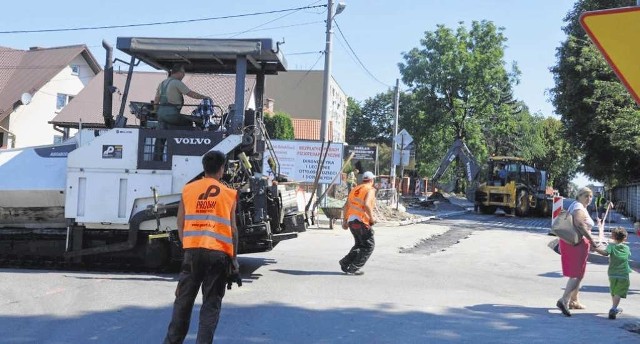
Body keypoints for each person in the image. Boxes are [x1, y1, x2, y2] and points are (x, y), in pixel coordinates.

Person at [164, 150, 239, 344]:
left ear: (204, 168)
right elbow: (233, 229)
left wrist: (187, 246)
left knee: (183, 303)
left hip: (192, 253)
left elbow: (180, 222)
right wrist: (234, 259)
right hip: (218, 255)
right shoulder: (229, 194)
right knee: (210, 306)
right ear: (221, 169)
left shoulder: (188, 189)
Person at [556, 186, 600, 317]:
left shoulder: (581, 207)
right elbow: (580, 224)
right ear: (579, 196)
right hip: (575, 243)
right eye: (585, 195)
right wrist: (592, 240)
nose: (589, 198)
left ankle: (574, 301)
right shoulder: (578, 207)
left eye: (590, 196)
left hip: (578, 243)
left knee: (579, 274)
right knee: (576, 274)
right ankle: (564, 300)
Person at [339, 171, 377, 275]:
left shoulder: (354, 189)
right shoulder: (370, 189)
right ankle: (354, 267)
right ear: (372, 180)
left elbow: (346, 206)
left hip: (352, 221)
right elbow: (367, 205)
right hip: (361, 221)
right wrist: (372, 219)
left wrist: (345, 221)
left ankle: (345, 262)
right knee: (369, 246)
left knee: (360, 245)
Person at [592, 227, 632, 320]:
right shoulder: (627, 248)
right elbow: (628, 255)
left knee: (614, 291)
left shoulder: (611, 246)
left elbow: (605, 253)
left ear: (613, 237)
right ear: (625, 237)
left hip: (612, 273)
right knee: (618, 292)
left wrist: (596, 249)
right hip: (623, 274)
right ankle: (613, 309)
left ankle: (615, 306)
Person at [154, 63, 209, 129]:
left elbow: (156, 100)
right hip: (172, 115)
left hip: (160, 115)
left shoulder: (162, 83)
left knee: (162, 132)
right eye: (183, 73)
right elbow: (191, 94)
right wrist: (204, 97)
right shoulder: (176, 83)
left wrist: (156, 112)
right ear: (179, 72)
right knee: (188, 123)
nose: (183, 75)